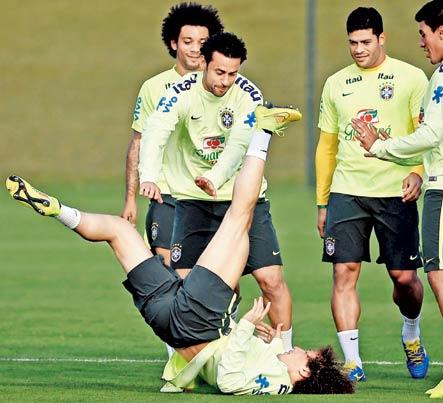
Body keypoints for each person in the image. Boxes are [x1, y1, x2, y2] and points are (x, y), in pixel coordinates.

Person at [5, 106, 354, 396]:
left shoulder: (278, 383)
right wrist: (266, 338)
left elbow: (228, 381)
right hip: (167, 321)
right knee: (119, 230)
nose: (296, 349)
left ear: (304, 374)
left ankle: (261, 131)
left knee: (239, 216)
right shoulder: (278, 364)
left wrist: (246, 325)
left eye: (302, 354)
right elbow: (244, 357)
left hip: (198, 320)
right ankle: (58, 209)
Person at [354, 0, 443, 398]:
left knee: (438, 274)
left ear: (440, 30)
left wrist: (381, 146)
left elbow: (432, 133)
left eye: (422, 34)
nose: (420, 43)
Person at [138, 32, 294, 351]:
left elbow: (239, 144)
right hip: (194, 204)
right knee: (185, 285)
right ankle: (190, 358)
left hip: (244, 202)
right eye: (219, 72)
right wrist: (149, 175)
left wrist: (214, 176)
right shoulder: (180, 92)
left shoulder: (248, 94)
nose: (225, 81)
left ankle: (284, 354)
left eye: (232, 73)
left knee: (271, 280)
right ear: (204, 64)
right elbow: (156, 131)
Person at [315, 6, 429, 381]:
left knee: (405, 279)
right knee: (344, 272)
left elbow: (424, 136)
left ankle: (411, 334)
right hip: (348, 191)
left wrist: (416, 172)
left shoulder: (411, 78)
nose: (359, 49)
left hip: (396, 192)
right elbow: (327, 146)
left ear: (382, 38)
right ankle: (353, 361)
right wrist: (322, 201)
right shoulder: (336, 83)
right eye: (352, 43)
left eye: (366, 42)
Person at [122, 2, 223, 267]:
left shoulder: (225, 85)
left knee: (219, 274)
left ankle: (227, 311)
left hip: (213, 195)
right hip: (167, 195)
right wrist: (130, 199)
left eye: (202, 41)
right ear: (174, 43)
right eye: (188, 41)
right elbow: (138, 143)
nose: (195, 48)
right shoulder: (154, 87)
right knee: (167, 271)